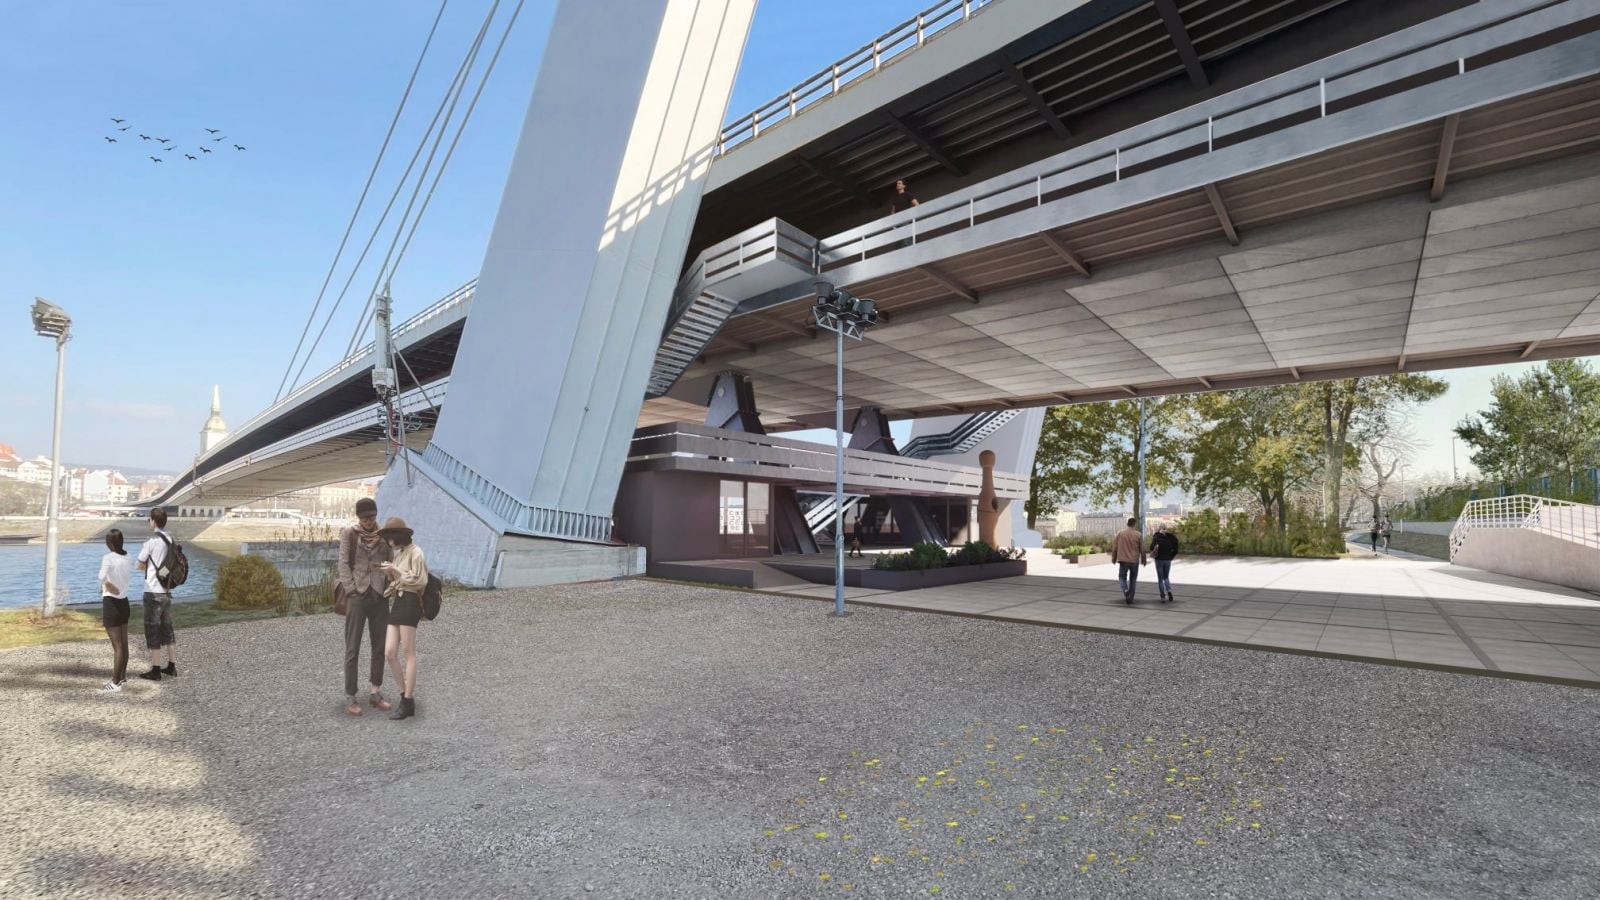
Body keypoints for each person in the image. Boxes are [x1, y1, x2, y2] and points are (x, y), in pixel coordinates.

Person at [338, 497, 393, 717]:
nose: (368, 521)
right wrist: (351, 589)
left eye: (371, 516)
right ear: (358, 517)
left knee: (379, 646)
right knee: (352, 647)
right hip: (357, 597)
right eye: (364, 517)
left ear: (376, 515)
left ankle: (375, 692)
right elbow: (343, 563)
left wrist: (388, 586)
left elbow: (390, 562)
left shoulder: (384, 536)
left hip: (379, 596)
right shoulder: (349, 534)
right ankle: (350, 696)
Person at [378, 517, 428, 721]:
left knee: (409, 652)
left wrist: (396, 570)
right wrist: (390, 573)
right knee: (389, 652)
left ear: (399, 536)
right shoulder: (400, 555)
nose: (389, 543)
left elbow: (420, 581)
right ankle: (404, 695)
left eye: (391, 538)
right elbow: (397, 580)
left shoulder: (416, 552)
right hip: (398, 602)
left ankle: (407, 700)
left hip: (410, 602)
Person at [135, 508, 178, 681]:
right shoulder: (170, 539)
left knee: (153, 629)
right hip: (166, 591)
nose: (149, 522)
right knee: (167, 628)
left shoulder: (151, 541)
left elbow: (138, 565)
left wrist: (151, 569)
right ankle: (172, 667)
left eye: (149, 520)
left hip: (152, 590)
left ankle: (155, 670)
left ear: (153, 521)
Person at [98, 529, 133, 692]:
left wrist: (107, 584)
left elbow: (101, 576)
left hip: (111, 604)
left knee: (117, 646)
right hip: (124, 604)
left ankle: (115, 682)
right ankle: (123, 678)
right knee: (124, 644)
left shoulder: (108, 558)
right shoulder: (128, 557)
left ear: (110, 543)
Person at [1112, 517, 1145, 604]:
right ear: (1135, 524)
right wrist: (1144, 560)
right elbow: (1142, 549)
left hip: (1123, 560)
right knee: (1133, 579)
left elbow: (1115, 547)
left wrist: (1114, 558)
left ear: (1127, 524)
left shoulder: (1120, 534)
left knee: (1122, 577)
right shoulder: (1138, 535)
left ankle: (1126, 591)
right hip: (1134, 561)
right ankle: (1131, 597)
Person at [1148, 523, 1179, 604]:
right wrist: (1171, 557)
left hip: (1159, 560)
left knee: (1160, 579)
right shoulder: (1171, 538)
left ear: (1159, 529)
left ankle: (1162, 596)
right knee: (1166, 577)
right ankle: (1169, 591)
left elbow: (1151, 547)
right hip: (1168, 560)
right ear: (1166, 529)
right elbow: (1176, 549)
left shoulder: (1157, 537)